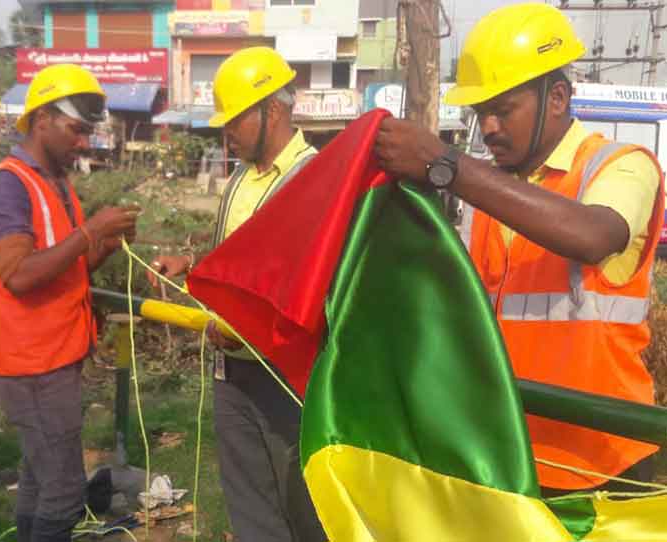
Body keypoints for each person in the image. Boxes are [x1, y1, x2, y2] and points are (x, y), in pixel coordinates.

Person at [374, 2, 664, 496]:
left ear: (557, 98)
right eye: (479, 113)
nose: (487, 127)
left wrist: (446, 164)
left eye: (502, 110)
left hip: (598, 462)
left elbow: (592, 236)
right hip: (505, 450)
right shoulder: (492, 190)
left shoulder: (621, 165)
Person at [148, 47, 326, 542]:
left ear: (273, 110)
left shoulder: (313, 180)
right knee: (250, 504)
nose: (226, 131)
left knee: (304, 505)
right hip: (231, 369)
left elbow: (308, 283)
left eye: (235, 120)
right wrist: (192, 268)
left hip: (285, 376)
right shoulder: (239, 181)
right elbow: (235, 264)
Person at [0, 64, 137, 542]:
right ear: (42, 117)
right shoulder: (7, 185)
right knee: (65, 492)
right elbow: (20, 275)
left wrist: (105, 243)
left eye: (88, 131)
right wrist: (90, 232)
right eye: (76, 129)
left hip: (55, 357)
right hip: (32, 366)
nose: (83, 142)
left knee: (38, 479)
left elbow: (66, 269)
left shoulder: (55, 183)